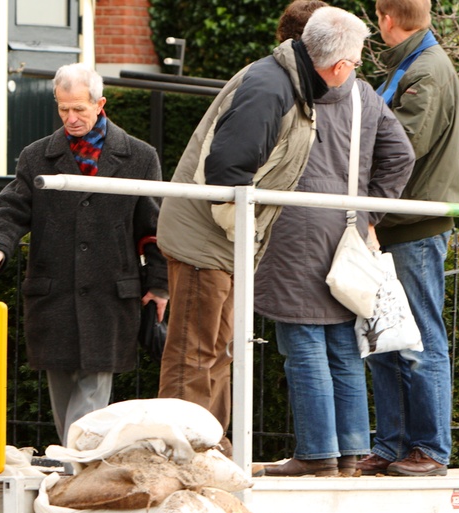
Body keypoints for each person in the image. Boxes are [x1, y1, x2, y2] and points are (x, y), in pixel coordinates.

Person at [156, 7, 372, 443]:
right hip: (207, 243)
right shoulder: (271, 87)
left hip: (220, 241)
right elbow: (226, 175)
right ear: (340, 66)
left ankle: (209, 449)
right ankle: (180, 455)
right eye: (357, 64)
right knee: (195, 355)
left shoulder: (286, 82)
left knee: (214, 352)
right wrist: (247, 240)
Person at [259, 2, 415, 477]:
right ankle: (349, 452)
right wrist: (369, 211)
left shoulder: (281, 86)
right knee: (345, 349)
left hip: (289, 230)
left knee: (302, 342)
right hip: (345, 231)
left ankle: (316, 453)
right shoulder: (362, 96)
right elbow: (401, 156)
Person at [0, 63, 167, 446]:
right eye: (63, 109)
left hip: (110, 295)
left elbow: (155, 227)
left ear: (100, 104)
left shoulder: (140, 157)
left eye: (79, 108)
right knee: (61, 390)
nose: (71, 118)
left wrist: (159, 286)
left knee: (93, 390)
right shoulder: (36, 157)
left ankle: (77, 460)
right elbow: (10, 209)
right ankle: (76, 464)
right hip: (55, 294)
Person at [355, 0, 459, 477]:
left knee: (419, 337)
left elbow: (400, 150)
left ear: (385, 19)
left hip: (412, 227)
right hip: (396, 224)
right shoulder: (415, 67)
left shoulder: (426, 72)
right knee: (387, 339)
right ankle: (395, 444)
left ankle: (430, 450)